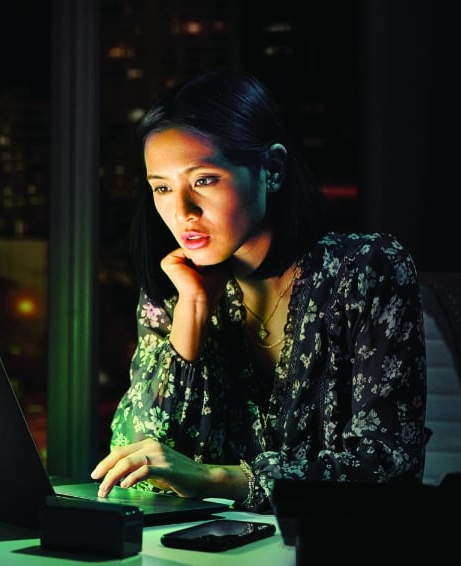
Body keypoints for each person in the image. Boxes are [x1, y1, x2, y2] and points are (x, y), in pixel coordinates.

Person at [90, 68, 428, 513]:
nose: (182, 211)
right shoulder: (175, 289)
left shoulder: (367, 270)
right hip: (206, 554)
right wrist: (192, 313)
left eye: (204, 180)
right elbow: (136, 461)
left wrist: (219, 478)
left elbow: (390, 466)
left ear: (271, 169)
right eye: (162, 188)